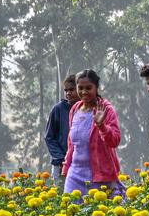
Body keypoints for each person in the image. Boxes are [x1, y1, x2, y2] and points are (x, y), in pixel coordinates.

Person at [61, 69, 123, 199]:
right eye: (80, 88)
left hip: (99, 176)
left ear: (96, 87)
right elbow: (72, 143)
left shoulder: (106, 109)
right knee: (71, 212)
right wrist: (66, 166)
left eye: (88, 88)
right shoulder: (75, 109)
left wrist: (102, 126)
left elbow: (115, 140)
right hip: (74, 174)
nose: (84, 92)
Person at [44, 74, 78, 188]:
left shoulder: (86, 110)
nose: (68, 93)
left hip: (80, 165)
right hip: (60, 165)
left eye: (72, 89)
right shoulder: (58, 109)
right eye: (66, 90)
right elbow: (49, 137)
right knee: (62, 197)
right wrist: (61, 158)